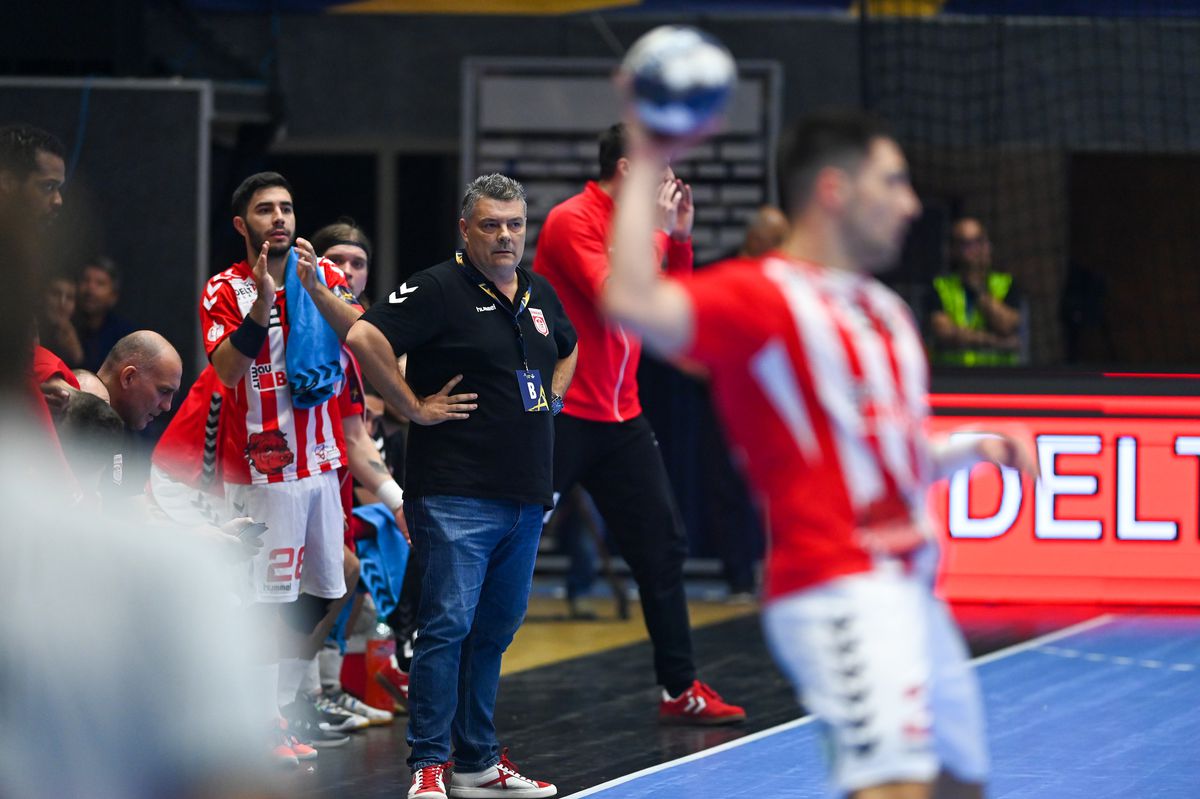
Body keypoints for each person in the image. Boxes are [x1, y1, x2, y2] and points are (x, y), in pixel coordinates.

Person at [602, 110, 1038, 799]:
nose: (912, 204)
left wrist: (975, 446)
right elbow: (629, 298)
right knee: (894, 789)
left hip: (912, 589)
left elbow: (893, 455)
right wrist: (652, 155)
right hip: (837, 587)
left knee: (957, 786)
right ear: (834, 191)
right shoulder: (760, 294)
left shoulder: (887, 312)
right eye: (893, 182)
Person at [348, 173, 577, 799]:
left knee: (497, 629)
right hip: (454, 493)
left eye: (514, 225)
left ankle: (477, 762)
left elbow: (568, 346)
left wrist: (552, 397)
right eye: (491, 225)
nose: (505, 236)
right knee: (447, 626)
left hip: (526, 494)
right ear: (465, 229)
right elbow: (365, 336)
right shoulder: (437, 288)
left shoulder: (536, 291)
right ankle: (428, 765)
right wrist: (413, 407)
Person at [532, 123, 745, 725]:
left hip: (621, 416)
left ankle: (680, 689)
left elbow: (668, 311)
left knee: (662, 549)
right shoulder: (572, 219)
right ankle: (415, 660)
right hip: (563, 413)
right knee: (500, 538)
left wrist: (679, 240)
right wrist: (656, 231)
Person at [201, 170, 364, 763]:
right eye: (266, 210)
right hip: (262, 470)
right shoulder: (224, 289)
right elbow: (222, 370)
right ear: (243, 225)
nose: (280, 219)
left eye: (287, 209)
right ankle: (261, 721)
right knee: (265, 599)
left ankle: (283, 710)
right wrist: (263, 307)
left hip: (321, 464)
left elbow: (363, 336)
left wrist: (315, 291)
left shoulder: (322, 276)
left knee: (323, 588)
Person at [928, 217, 1023, 366]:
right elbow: (944, 332)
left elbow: (1007, 325)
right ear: (953, 249)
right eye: (965, 244)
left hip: (998, 377)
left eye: (978, 242)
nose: (972, 250)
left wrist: (977, 288)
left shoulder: (1005, 283)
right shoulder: (941, 286)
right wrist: (996, 342)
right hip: (952, 376)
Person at [75, 256, 136, 373]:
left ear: (113, 296)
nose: (90, 288)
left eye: (100, 283)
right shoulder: (67, 325)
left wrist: (78, 355)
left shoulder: (124, 336)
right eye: (86, 280)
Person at [39, 273, 84, 367]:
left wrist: (76, 353)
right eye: (56, 294)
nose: (62, 303)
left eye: (69, 297)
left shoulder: (82, 334)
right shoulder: (29, 330)